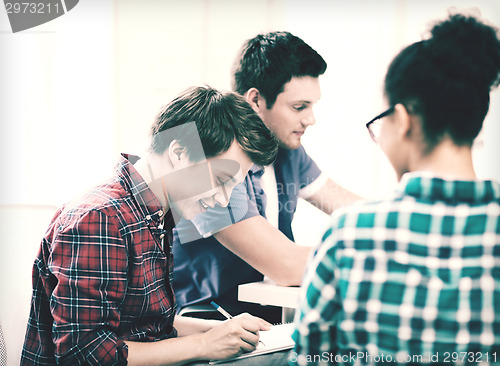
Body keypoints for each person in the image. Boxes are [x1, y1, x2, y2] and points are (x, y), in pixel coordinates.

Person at [21, 86, 292, 365]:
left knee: (287, 354)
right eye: (221, 180)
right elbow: (85, 353)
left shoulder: (155, 215)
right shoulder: (99, 218)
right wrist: (204, 344)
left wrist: (222, 332)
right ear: (179, 152)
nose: (224, 199)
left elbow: (147, 329)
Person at [290, 13, 500, 365]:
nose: (310, 119)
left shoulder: (348, 236)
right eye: (301, 107)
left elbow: (311, 357)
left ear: (402, 121)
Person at [172, 32, 360, 321]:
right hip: (212, 322)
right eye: (299, 107)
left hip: (268, 319)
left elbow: (353, 209)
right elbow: (285, 265)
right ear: (256, 100)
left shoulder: (288, 150)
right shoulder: (216, 162)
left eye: (312, 105)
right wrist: (378, 249)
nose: (311, 119)